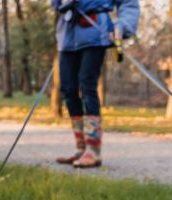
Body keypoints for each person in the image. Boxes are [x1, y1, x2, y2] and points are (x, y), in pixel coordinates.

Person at [51, 0, 139, 168]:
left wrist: (122, 26)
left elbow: (129, 4)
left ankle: (93, 150)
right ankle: (81, 148)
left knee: (87, 85)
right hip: (66, 35)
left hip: (94, 32)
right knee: (68, 89)